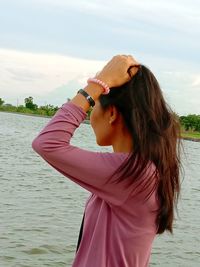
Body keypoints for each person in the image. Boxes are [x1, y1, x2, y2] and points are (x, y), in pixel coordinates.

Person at [32, 55, 181, 267]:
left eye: (93, 107)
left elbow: (47, 143)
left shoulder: (133, 173)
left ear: (111, 113)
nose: (90, 114)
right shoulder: (144, 169)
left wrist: (97, 84)